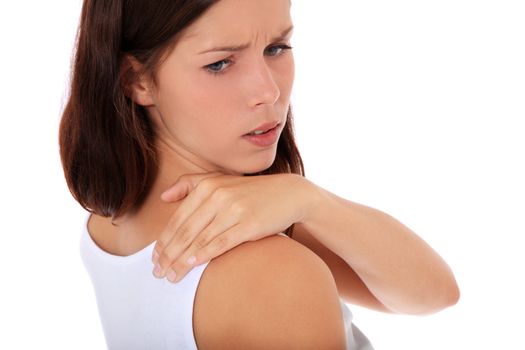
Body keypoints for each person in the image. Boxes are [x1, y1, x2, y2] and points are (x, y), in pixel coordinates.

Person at [59, 0, 460, 349]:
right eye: (219, 63)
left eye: (277, 47)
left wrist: (306, 199)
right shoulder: (273, 274)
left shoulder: (107, 222)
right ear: (136, 79)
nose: (268, 91)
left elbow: (434, 294)